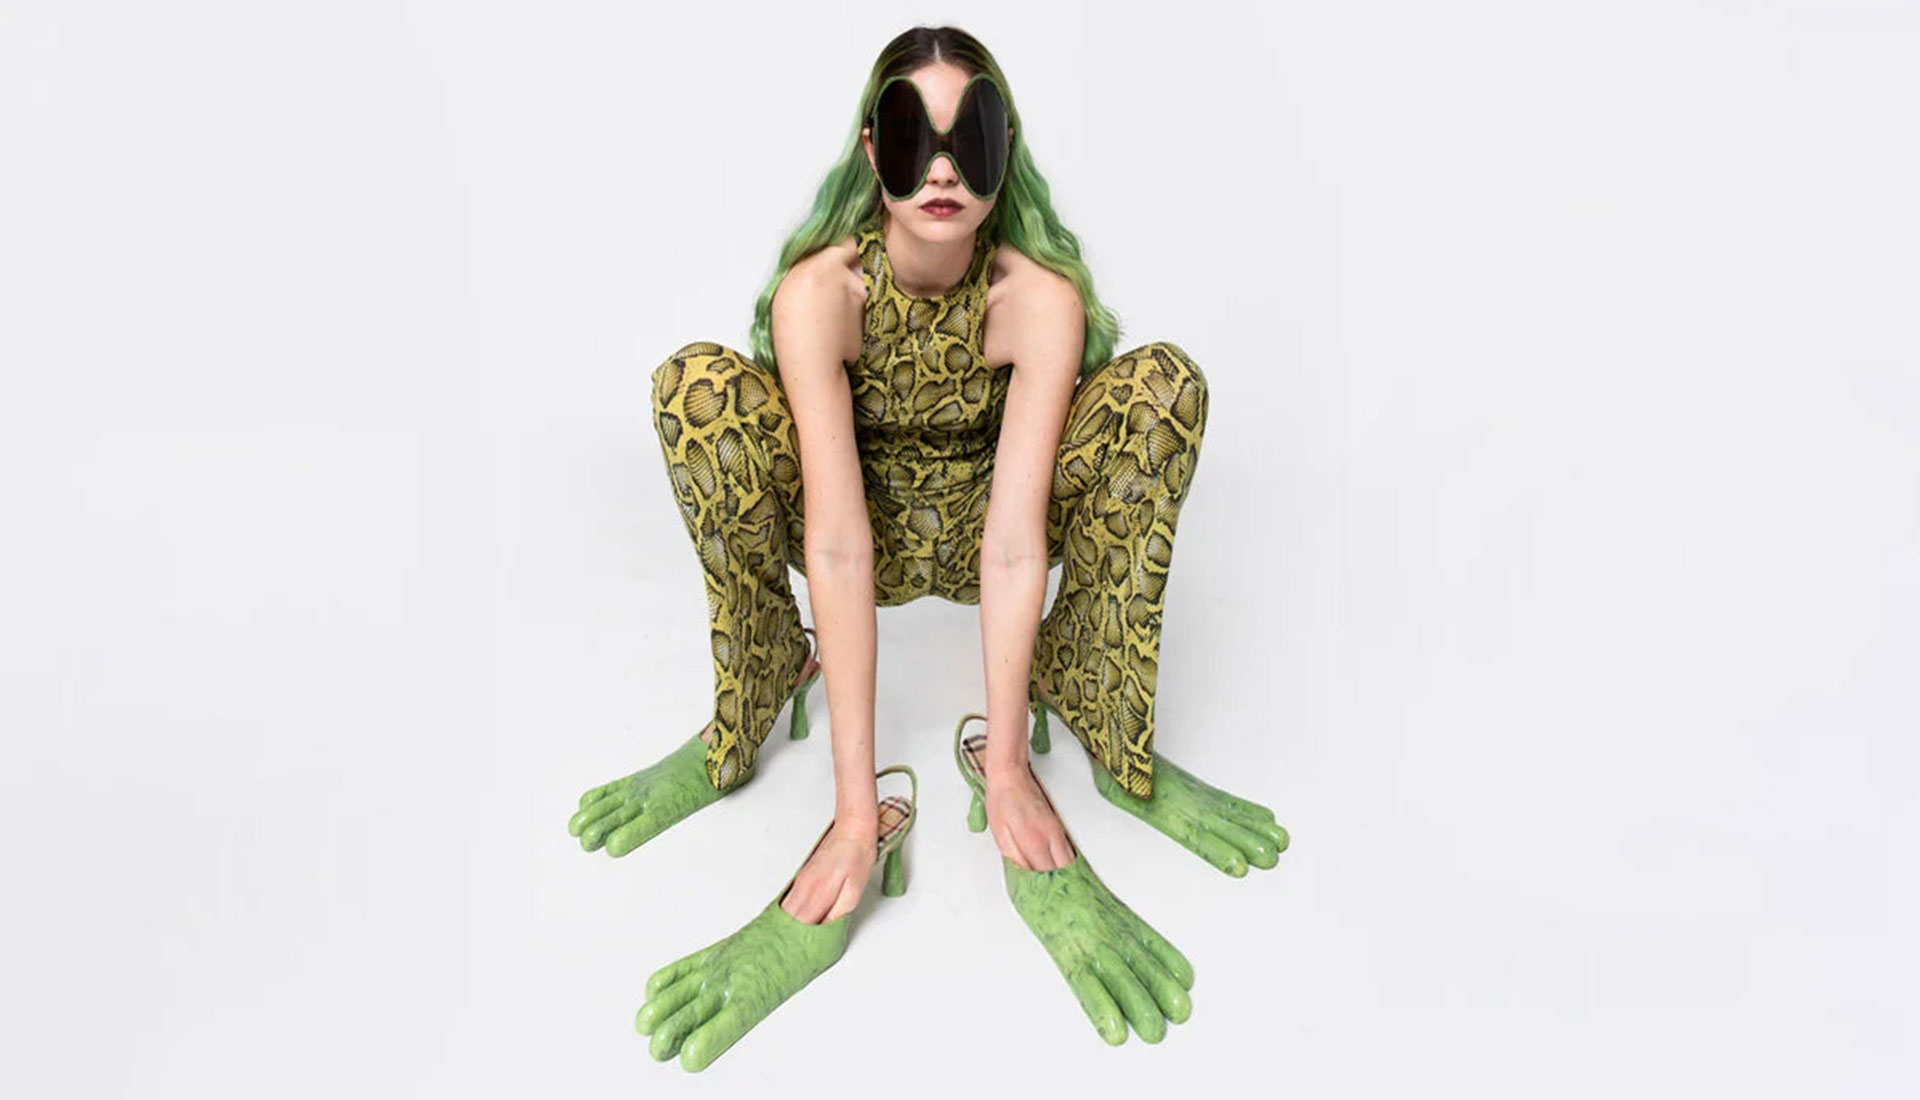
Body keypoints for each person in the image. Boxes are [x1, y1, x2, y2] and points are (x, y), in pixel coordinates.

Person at [568, 25, 1286, 929]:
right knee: (695, 388)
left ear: (1005, 149)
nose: (942, 171)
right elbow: (836, 545)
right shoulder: (820, 295)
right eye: (916, 139)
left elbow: (1016, 545)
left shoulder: (1039, 301)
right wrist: (856, 816)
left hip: (989, 529)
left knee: (1162, 388)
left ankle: (1091, 686)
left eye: (968, 140)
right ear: (874, 151)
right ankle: (764, 673)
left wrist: (1008, 769)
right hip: (854, 529)